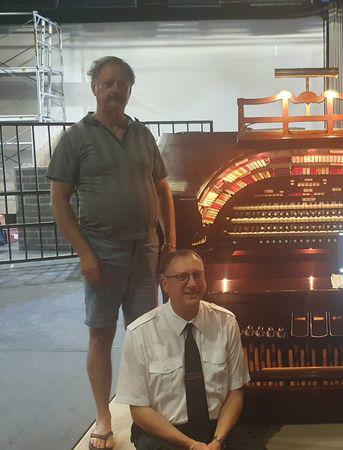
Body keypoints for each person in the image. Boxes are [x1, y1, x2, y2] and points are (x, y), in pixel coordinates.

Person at [46, 56, 176, 450]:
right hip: (102, 253)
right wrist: (84, 253)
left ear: (130, 90)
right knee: (101, 335)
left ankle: (147, 409)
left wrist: (169, 242)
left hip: (145, 249)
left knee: (145, 335)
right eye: (108, 83)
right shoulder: (76, 138)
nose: (115, 90)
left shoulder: (143, 135)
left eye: (122, 84)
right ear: (94, 88)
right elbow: (58, 199)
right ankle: (103, 417)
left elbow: (163, 189)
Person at [116, 250, 265, 450]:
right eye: (182, 277)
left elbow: (236, 391)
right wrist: (192, 445)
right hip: (165, 432)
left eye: (197, 275)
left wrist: (217, 441)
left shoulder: (226, 322)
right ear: (165, 284)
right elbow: (139, 409)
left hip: (218, 427)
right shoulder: (139, 333)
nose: (192, 284)